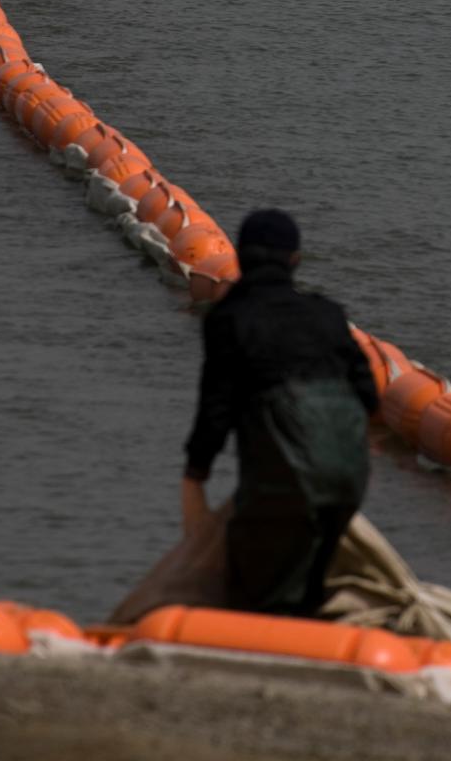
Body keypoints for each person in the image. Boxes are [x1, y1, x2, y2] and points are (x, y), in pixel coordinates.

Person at [182, 208, 379, 616]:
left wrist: (195, 473)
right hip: (348, 475)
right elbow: (369, 397)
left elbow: (215, 409)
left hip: (283, 476)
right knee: (311, 584)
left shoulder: (229, 318)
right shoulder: (328, 315)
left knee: (255, 592)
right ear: (295, 261)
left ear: (239, 257)